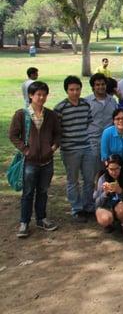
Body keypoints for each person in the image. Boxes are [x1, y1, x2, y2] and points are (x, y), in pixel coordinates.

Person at [9, 81, 61, 238]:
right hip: (30, 162)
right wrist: (25, 150)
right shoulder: (21, 114)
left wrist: (53, 147)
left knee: (43, 191)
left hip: (47, 161)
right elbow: (13, 135)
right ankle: (24, 222)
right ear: (30, 95)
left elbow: (58, 133)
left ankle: (41, 218)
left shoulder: (50, 114)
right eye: (38, 94)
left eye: (44, 94)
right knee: (28, 192)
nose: (41, 97)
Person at [54, 76, 95, 222]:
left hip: (86, 147)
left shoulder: (85, 104)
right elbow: (56, 130)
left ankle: (88, 206)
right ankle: (76, 209)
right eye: (72, 90)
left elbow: (88, 123)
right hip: (69, 149)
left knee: (89, 179)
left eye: (77, 89)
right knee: (73, 180)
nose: (75, 92)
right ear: (67, 90)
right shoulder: (60, 108)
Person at [94, 154, 123, 236]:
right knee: (105, 219)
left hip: (122, 205)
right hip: (107, 206)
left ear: (121, 167)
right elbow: (97, 203)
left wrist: (120, 191)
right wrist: (105, 193)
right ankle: (109, 225)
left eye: (117, 169)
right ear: (107, 168)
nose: (114, 172)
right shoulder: (102, 178)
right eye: (111, 169)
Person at [86, 73, 118, 174]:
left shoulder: (112, 101)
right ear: (93, 87)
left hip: (111, 142)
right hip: (93, 142)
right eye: (97, 84)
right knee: (95, 173)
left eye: (103, 84)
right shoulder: (86, 102)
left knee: (110, 171)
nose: (101, 87)